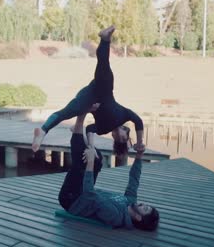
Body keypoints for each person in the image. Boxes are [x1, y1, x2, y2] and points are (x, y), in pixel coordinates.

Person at [32, 26, 145, 157]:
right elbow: (139, 121)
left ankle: (42, 131)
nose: (120, 137)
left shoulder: (104, 129)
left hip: (88, 98)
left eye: (118, 140)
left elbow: (90, 129)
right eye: (124, 138)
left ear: (113, 137)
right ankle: (105, 39)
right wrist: (140, 142)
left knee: (69, 112)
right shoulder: (125, 115)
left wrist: (91, 146)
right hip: (103, 87)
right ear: (126, 132)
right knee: (103, 63)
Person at [58, 114, 159, 230]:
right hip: (83, 193)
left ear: (138, 217)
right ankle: (78, 133)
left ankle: (80, 121)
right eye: (147, 205)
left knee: (83, 163)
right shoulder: (130, 201)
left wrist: (90, 162)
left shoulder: (115, 216)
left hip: (72, 200)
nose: (143, 204)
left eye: (145, 208)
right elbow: (134, 179)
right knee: (98, 158)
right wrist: (139, 156)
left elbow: (90, 194)